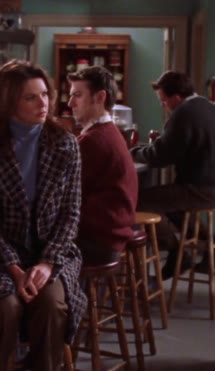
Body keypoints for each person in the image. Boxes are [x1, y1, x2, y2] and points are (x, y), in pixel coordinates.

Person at [0, 60, 86, 371]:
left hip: (54, 255)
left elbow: (71, 214)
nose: (43, 103)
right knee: (3, 309)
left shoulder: (65, 144)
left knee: (51, 306)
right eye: (31, 97)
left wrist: (47, 263)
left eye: (45, 94)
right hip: (5, 258)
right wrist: (15, 269)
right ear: (8, 102)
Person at [129, 71, 215, 277]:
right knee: (174, 207)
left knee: (137, 202)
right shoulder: (209, 107)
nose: (164, 106)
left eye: (164, 101)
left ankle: (176, 253)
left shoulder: (183, 113)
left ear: (177, 97)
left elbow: (160, 157)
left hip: (206, 189)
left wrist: (131, 152)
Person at [67, 66, 138, 264]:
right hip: (112, 237)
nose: (70, 103)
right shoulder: (109, 131)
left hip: (99, 243)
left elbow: (67, 196)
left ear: (100, 97)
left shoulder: (93, 140)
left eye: (77, 95)